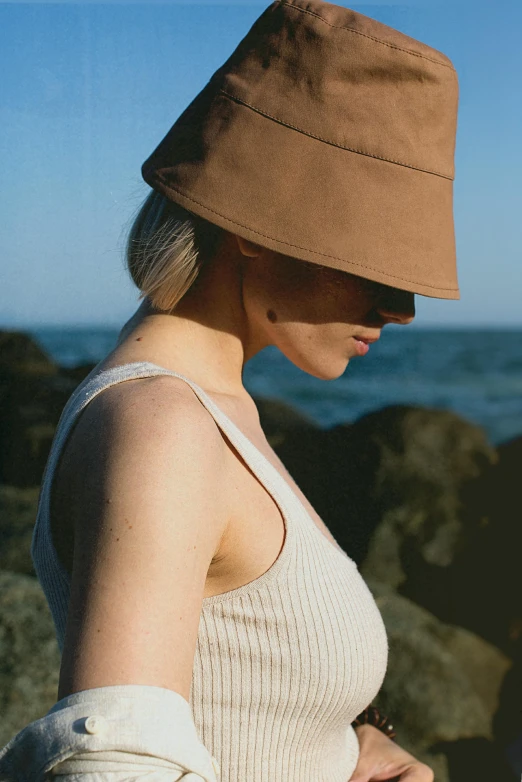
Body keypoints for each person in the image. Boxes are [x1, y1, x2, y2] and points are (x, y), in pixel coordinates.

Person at [0, 1, 460, 780]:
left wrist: (349, 752)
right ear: (252, 219)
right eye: (376, 262)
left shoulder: (209, 410)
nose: (399, 308)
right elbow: (112, 768)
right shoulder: (161, 428)